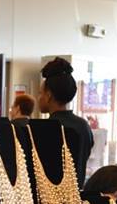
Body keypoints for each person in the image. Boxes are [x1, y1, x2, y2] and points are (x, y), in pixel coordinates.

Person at [37, 57, 92, 188]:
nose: (38, 98)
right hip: (76, 195)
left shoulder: (44, 128)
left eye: (40, 93)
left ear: (48, 95)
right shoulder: (83, 125)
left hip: (50, 196)